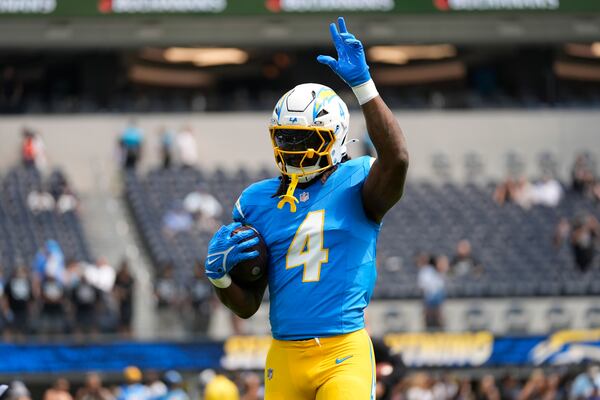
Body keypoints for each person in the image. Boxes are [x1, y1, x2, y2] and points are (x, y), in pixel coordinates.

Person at [205, 17, 408, 400]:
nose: (293, 147)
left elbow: (396, 159)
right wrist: (221, 280)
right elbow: (247, 306)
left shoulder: (357, 182)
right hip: (283, 354)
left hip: (342, 353)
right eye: (285, 136)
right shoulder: (256, 201)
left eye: (304, 138)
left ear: (335, 139)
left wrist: (364, 87)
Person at [417, 253, 447, 331]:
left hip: (436, 295)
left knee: (438, 315)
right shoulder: (424, 271)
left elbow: (440, 284)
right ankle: (428, 330)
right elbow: (422, 286)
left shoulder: (434, 270)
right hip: (428, 296)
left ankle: (440, 330)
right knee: (428, 315)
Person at [113, 260, 134, 336]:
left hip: (128, 304)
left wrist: (122, 292)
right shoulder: (118, 277)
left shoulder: (130, 278)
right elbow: (114, 289)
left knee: (128, 323)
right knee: (121, 323)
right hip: (120, 304)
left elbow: (129, 291)